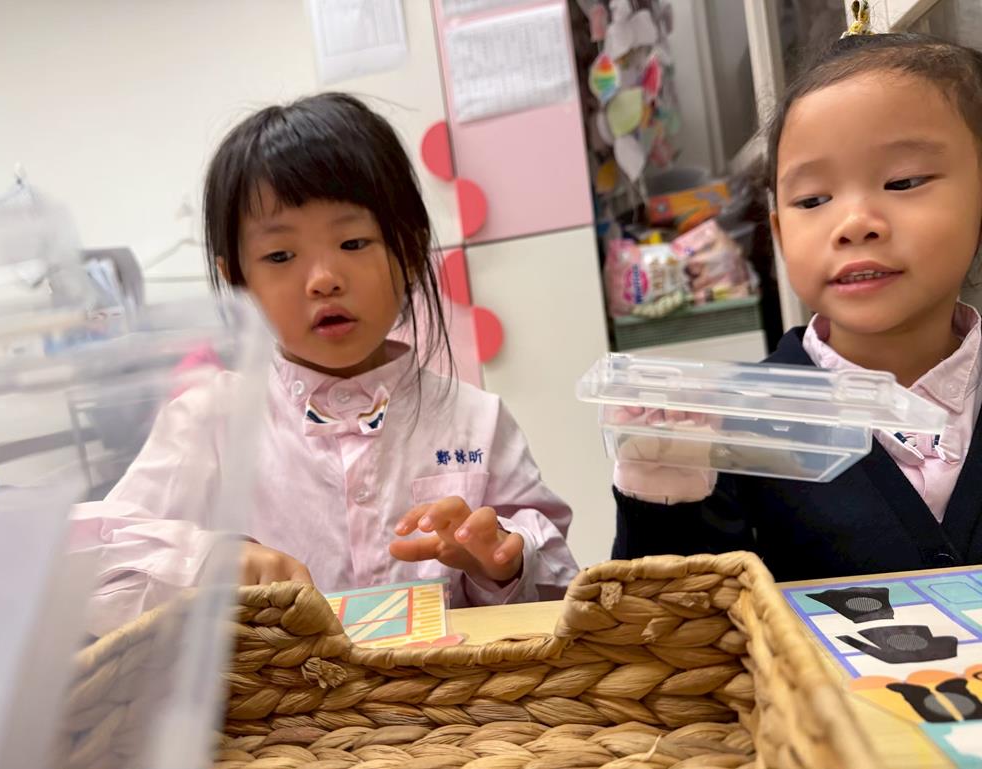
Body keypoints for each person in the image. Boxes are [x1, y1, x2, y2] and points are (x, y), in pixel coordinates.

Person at [72, 94, 576, 632]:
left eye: (353, 242)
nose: (323, 279)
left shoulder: (477, 420)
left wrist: (501, 562)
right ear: (239, 282)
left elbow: (559, 585)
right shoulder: (210, 422)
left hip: (447, 688)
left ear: (410, 253)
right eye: (280, 256)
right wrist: (206, 561)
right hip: (271, 689)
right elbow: (83, 563)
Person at [613, 31, 982, 581]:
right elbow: (671, 611)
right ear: (781, 234)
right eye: (813, 200)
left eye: (902, 181)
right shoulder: (737, 422)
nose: (853, 223)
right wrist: (663, 495)